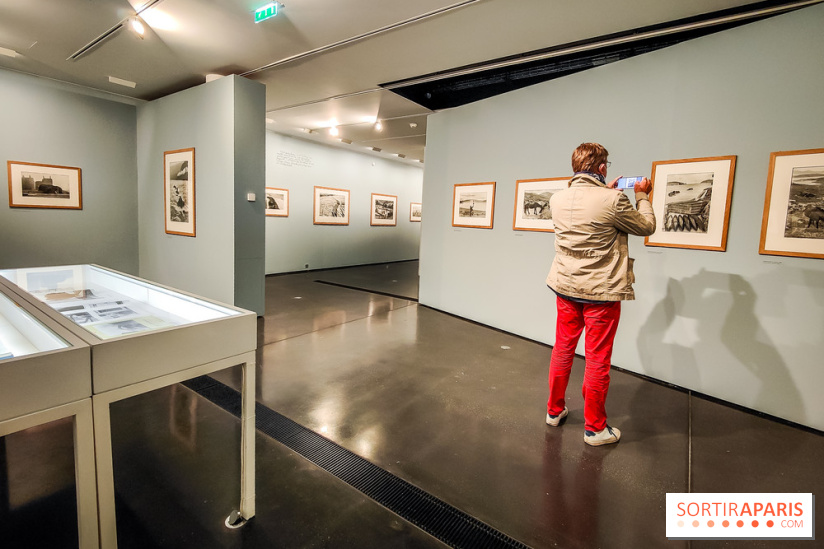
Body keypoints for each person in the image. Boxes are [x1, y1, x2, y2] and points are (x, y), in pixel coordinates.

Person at [545, 143, 656, 446]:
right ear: (602, 167)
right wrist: (643, 195)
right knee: (597, 359)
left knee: (562, 349)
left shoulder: (557, 198)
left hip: (565, 287)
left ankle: (554, 411)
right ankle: (595, 429)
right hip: (600, 292)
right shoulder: (614, 199)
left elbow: (588, 211)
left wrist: (605, 192)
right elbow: (647, 226)